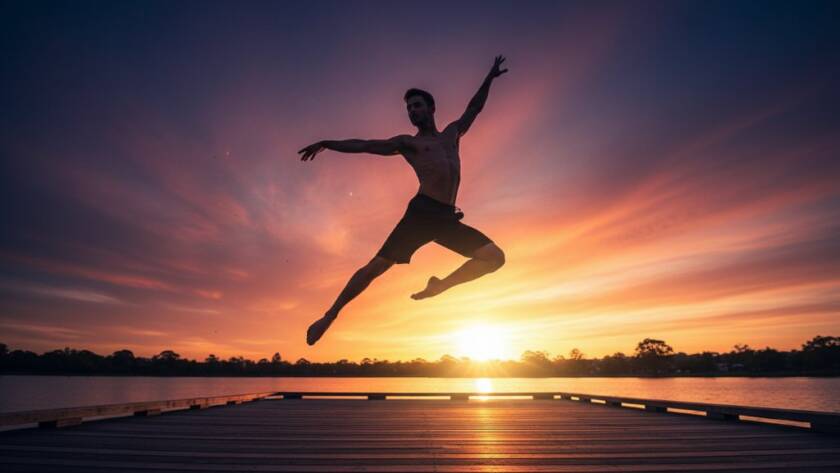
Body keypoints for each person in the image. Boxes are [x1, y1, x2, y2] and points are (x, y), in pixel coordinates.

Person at [298, 55, 509, 346]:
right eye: (408, 108)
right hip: (421, 214)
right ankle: (329, 316)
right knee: (376, 268)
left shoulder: (451, 134)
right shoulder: (407, 143)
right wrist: (326, 144)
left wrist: (489, 78)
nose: (412, 111)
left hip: (446, 218)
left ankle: (441, 285)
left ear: (431, 108)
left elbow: (474, 108)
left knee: (494, 258)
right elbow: (365, 145)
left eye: (417, 105)